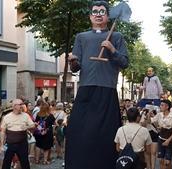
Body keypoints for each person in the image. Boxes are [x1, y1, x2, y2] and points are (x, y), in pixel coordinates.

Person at [65, 1, 129, 169]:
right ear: (90, 16)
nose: (98, 14)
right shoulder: (81, 37)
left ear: (108, 16)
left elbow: (124, 63)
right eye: (95, 11)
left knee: (106, 134)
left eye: (102, 11)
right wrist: (72, 61)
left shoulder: (117, 36)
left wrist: (112, 49)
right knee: (77, 132)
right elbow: (76, 67)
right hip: (86, 90)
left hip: (107, 90)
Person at [0, 99, 35, 169]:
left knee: (25, 163)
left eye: (22, 104)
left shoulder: (25, 115)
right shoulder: (7, 117)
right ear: (14, 106)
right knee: (6, 163)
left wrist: (27, 127)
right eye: (20, 104)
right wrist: (1, 144)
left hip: (22, 143)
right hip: (10, 143)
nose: (22, 106)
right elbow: (2, 131)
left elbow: (33, 125)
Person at [148, 100, 172, 169]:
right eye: (160, 105)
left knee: (167, 162)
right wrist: (149, 114)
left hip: (169, 140)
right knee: (161, 160)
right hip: (160, 138)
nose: (160, 106)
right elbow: (150, 121)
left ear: (167, 107)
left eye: (162, 105)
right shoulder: (159, 115)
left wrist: (168, 140)